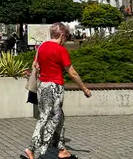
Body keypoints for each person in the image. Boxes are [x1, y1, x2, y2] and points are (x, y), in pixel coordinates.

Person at [21, 22, 91, 159]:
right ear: (63, 35)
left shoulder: (42, 47)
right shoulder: (60, 50)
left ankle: (61, 148)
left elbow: (36, 64)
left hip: (42, 86)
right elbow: (72, 72)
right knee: (49, 117)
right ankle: (33, 148)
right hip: (54, 87)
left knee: (58, 117)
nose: (67, 39)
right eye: (67, 37)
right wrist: (84, 89)